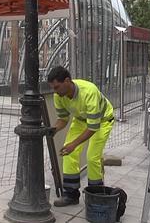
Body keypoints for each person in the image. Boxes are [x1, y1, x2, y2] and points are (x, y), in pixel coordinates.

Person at [47, 66, 114, 207]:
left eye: (57, 87)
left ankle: (96, 194)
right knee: (68, 153)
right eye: (53, 88)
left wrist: (74, 144)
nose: (55, 91)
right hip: (80, 120)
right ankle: (71, 195)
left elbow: (93, 127)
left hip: (102, 120)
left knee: (92, 157)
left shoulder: (89, 91)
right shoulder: (59, 96)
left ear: (67, 81)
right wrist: (53, 129)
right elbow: (63, 119)